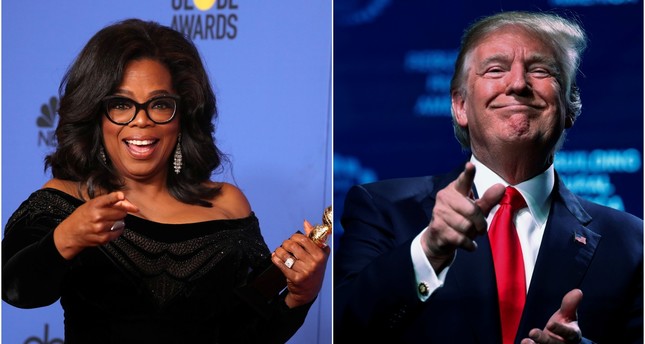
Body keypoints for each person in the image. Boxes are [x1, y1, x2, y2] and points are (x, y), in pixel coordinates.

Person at [2, 19, 329, 344]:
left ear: (183, 115)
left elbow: (247, 333)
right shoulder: (61, 202)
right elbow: (15, 289)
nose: (141, 120)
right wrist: (68, 237)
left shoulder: (228, 204)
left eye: (160, 104)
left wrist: (301, 295)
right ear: (95, 115)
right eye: (120, 104)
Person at [334, 10, 642, 344]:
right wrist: (427, 253)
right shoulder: (383, 209)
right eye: (496, 69)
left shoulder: (631, 242)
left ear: (570, 108)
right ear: (460, 106)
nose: (518, 84)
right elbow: (344, 328)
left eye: (541, 70)